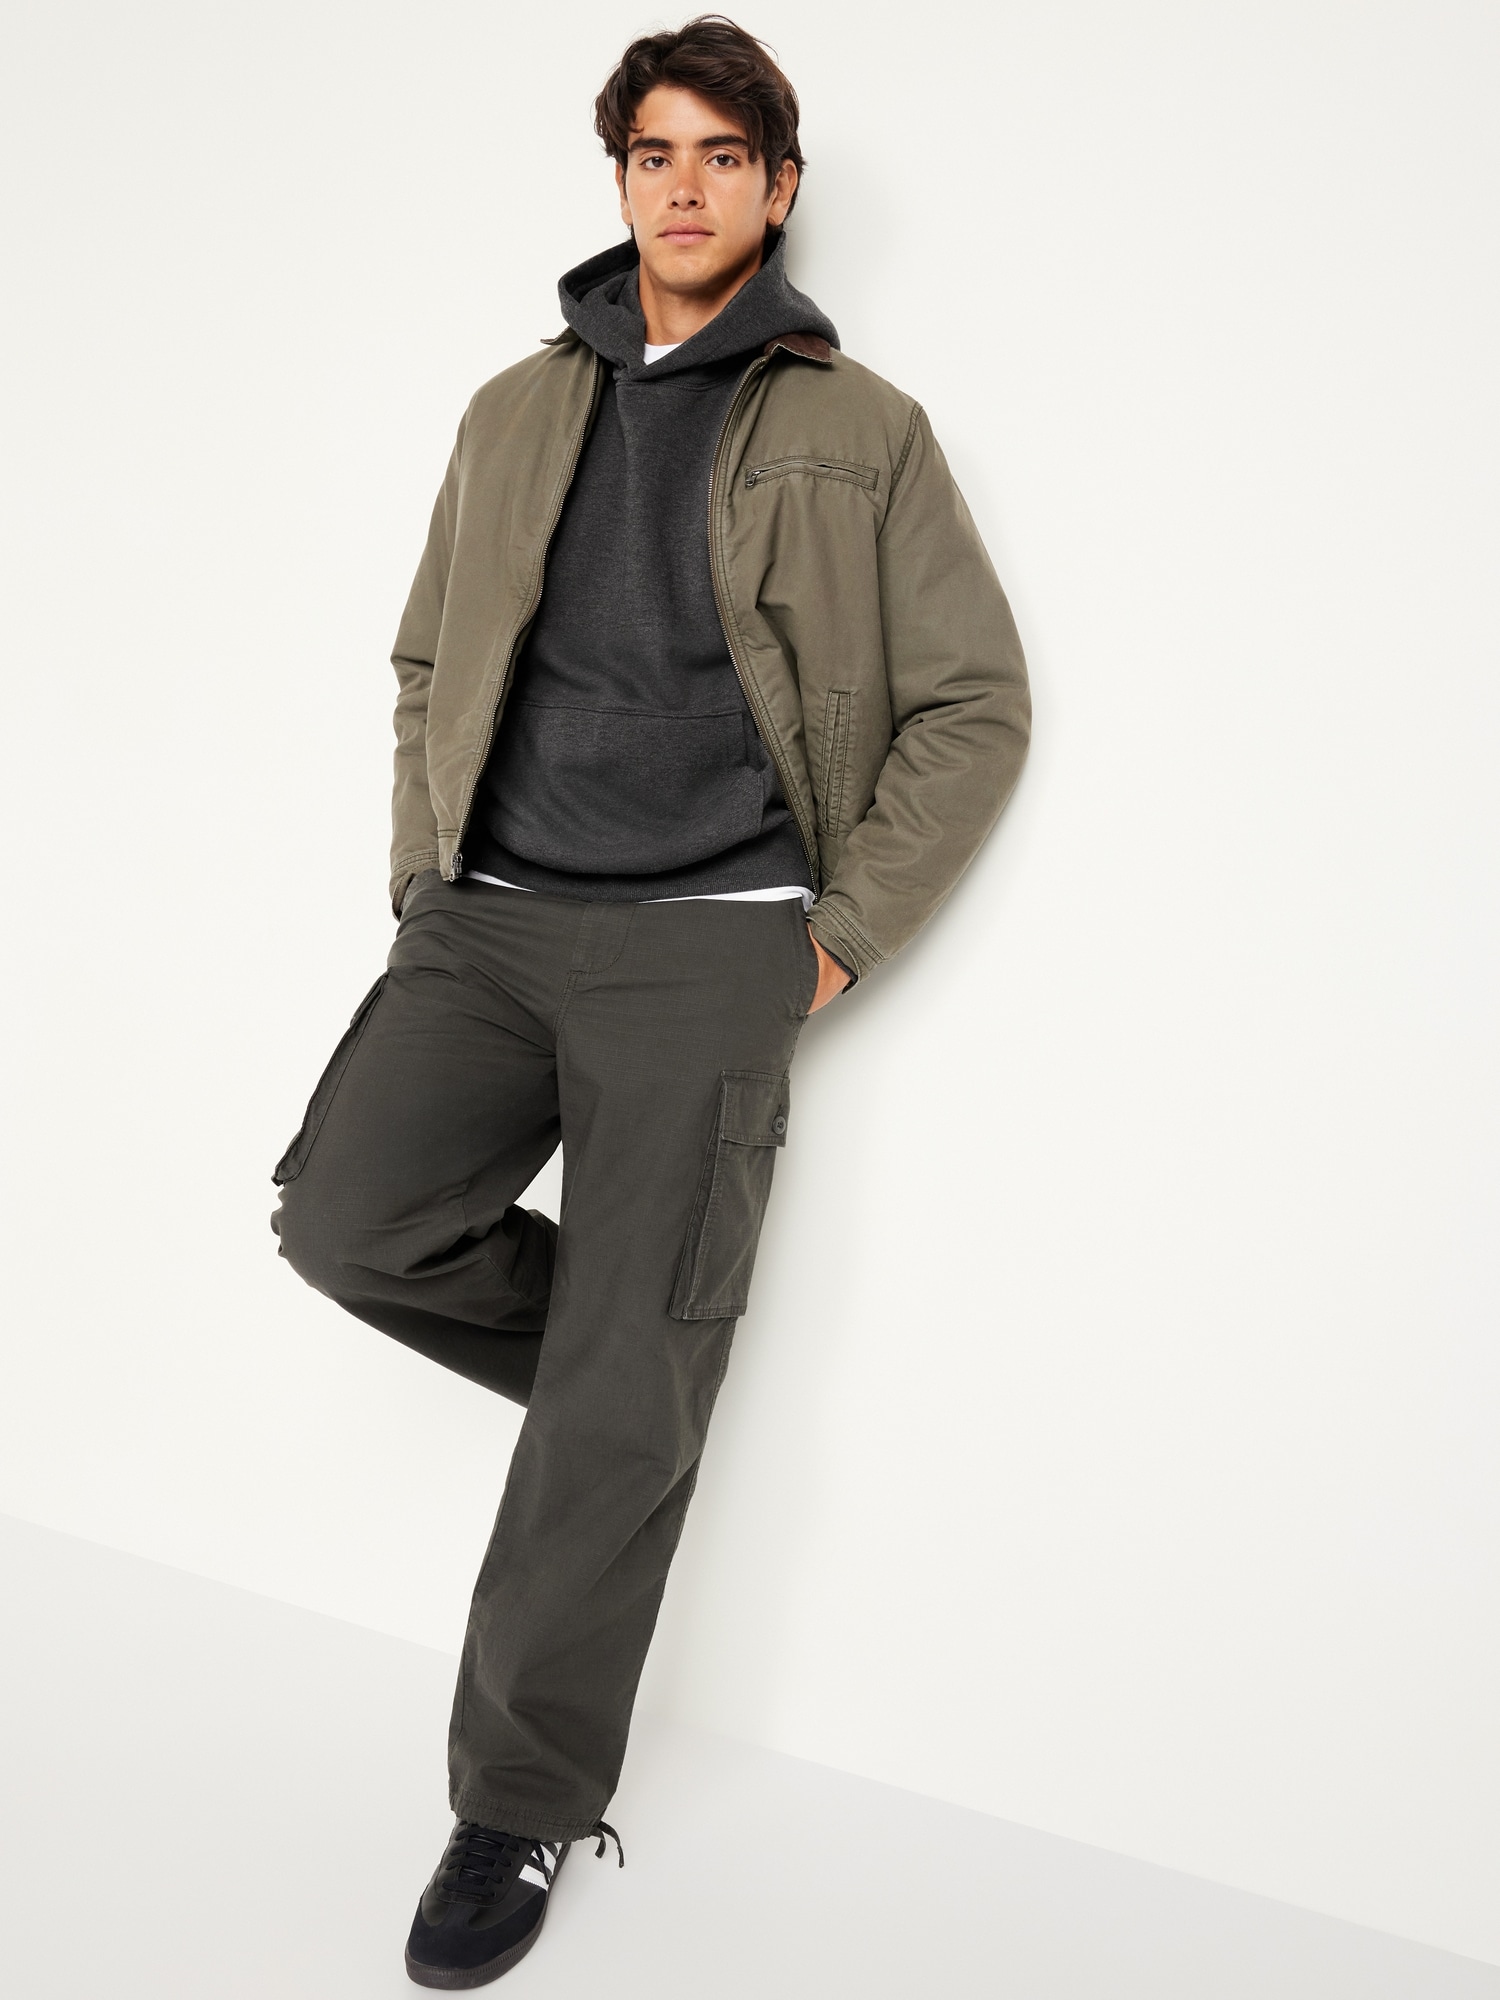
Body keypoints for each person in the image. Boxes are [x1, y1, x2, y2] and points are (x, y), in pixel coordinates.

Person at [272, 13, 1030, 1986]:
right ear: (616, 179)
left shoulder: (864, 431)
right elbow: (428, 659)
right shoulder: (512, 408)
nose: (683, 186)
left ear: (780, 187)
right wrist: (423, 877)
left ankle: (515, 1803)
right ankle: (633, 1385)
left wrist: (833, 937)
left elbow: (975, 702)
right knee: (346, 1217)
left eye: (721, 155)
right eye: (650, 153)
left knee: (622, 1390)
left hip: (716, 940)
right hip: (494, 922)